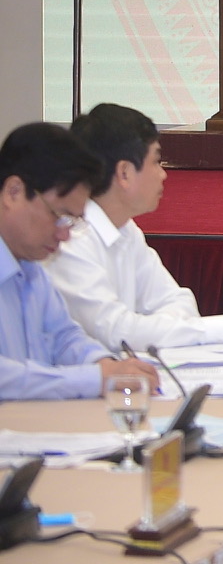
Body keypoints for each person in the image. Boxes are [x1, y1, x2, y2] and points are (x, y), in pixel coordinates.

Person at [47, 104, 223, 350]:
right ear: (124, 173)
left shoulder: (126, 229)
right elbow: (116, 332)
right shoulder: (70, 241)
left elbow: (178, 300)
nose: (163, 174)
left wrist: (155, 330)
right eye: (156, 161)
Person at [0, 123, 158, 401]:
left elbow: (65, 337)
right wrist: (96, 379)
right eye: (59, 216)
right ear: (14, 192)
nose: (64, 235)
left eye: (73, 221)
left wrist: (106, 365)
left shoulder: (31, 267)